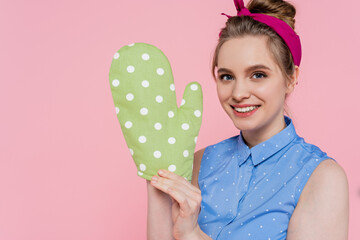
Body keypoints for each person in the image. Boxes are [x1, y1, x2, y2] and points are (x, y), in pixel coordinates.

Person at [146, 0, 349, 239]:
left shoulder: (321, 177)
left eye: (258, 74)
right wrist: (154, 175)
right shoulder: (198, 163)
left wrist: (192, 235)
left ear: (292, 78)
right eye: (227, 76)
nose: (239, 93)